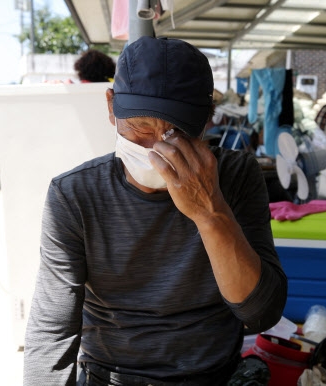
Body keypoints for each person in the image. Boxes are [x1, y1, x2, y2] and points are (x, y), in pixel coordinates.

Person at [23, 36, 288, 386]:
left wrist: (210, 212)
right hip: (111, 376)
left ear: (208, 122)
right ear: (111, 107)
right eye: (141, 129)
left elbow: (260, 313)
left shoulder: (236, 176)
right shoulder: (75, 194)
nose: (158, 148)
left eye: (177, 132)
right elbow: (52, 332)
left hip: (214, 376)